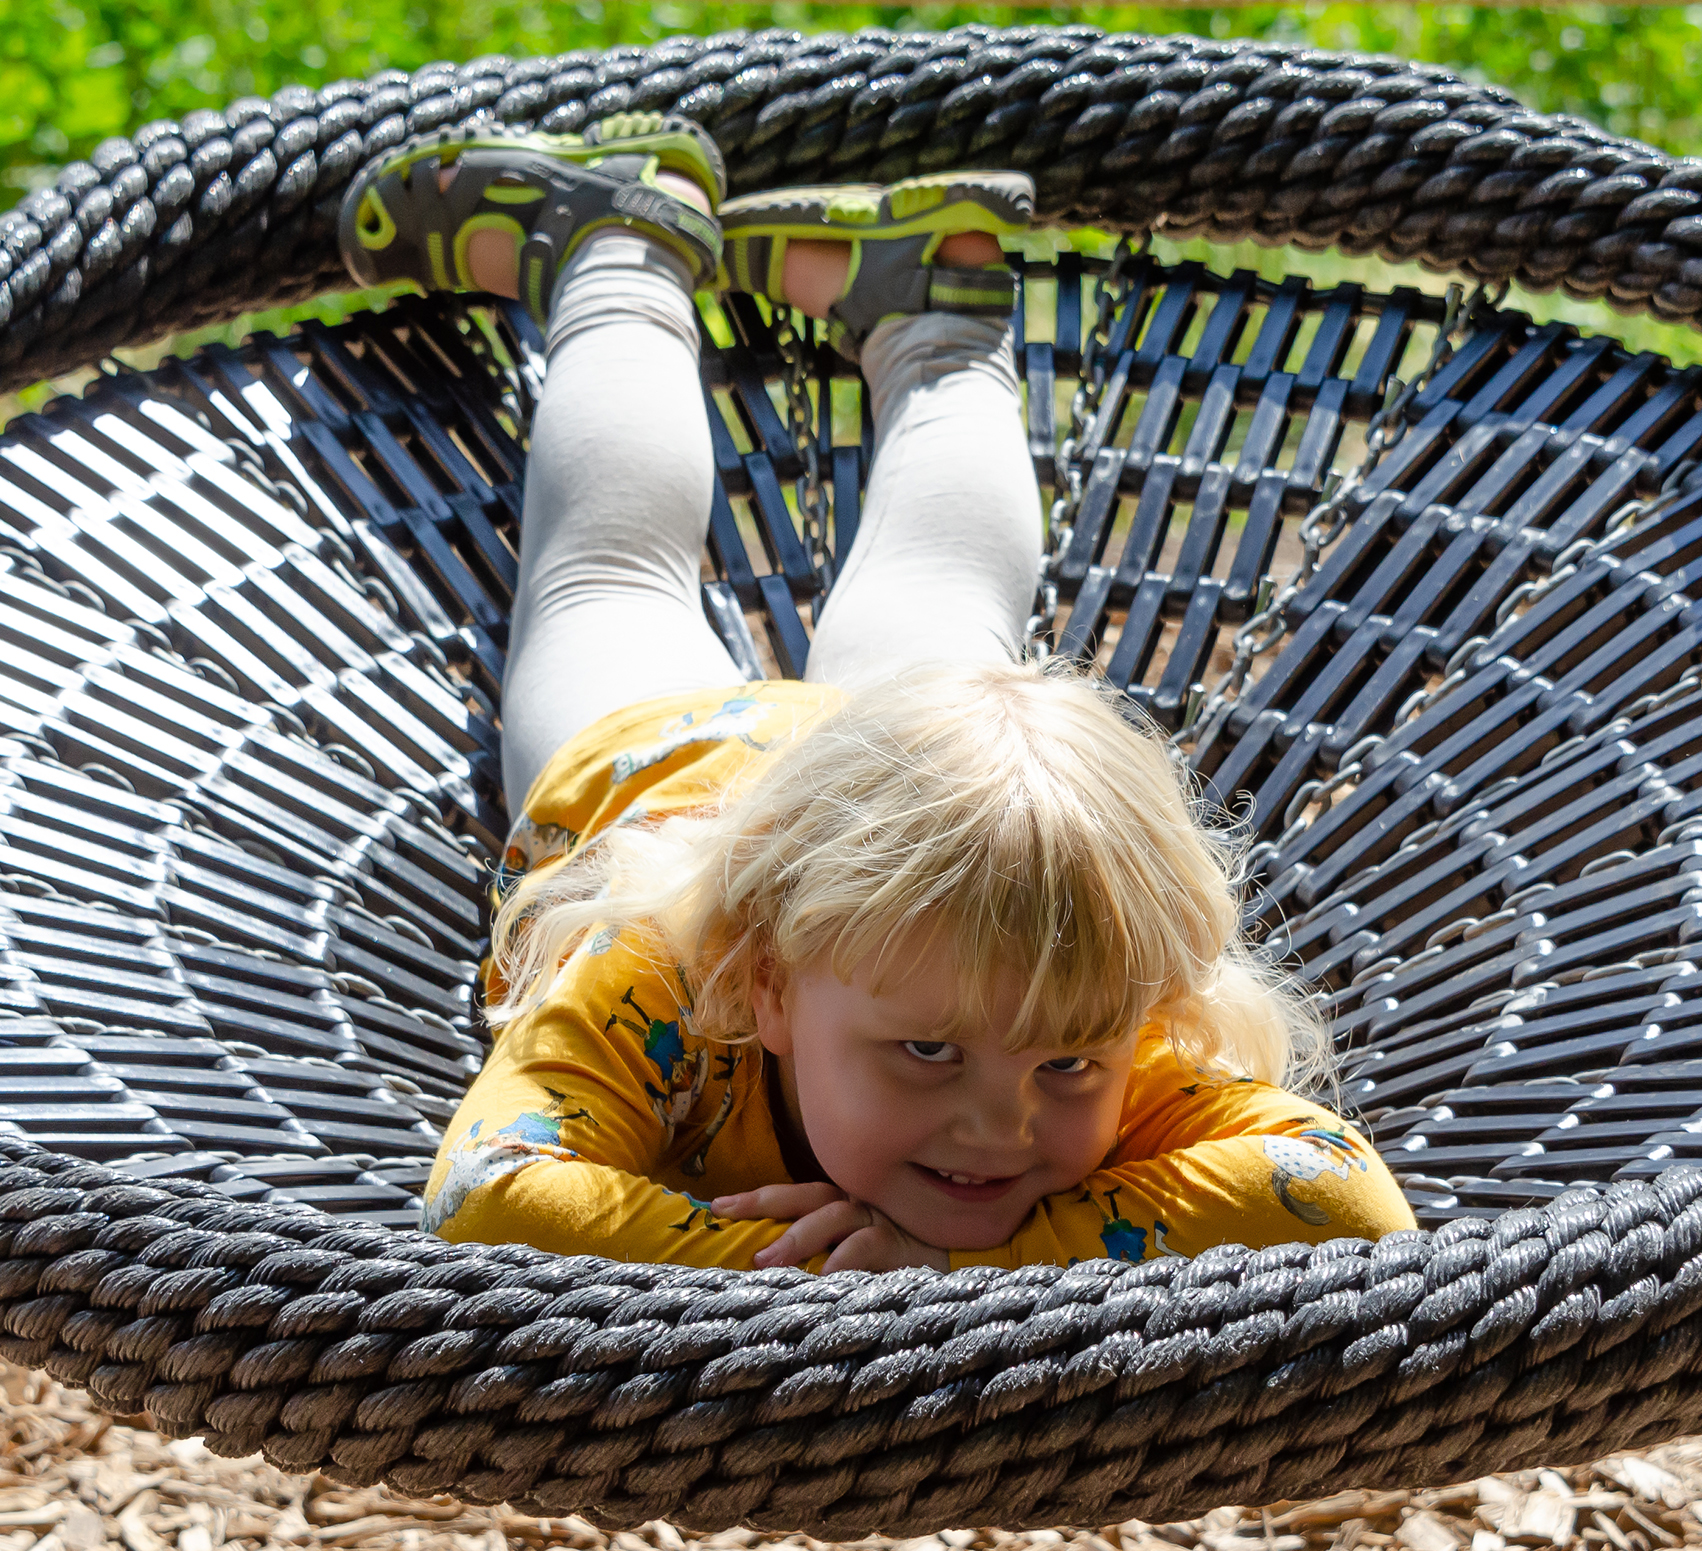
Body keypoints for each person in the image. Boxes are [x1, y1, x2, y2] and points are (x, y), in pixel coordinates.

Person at [339, 116, 1416, 1272]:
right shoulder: (661, 979)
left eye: (1067, 1071)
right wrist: (823, 1277)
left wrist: (951, 1266)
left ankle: (937, 314)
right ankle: (614, 248)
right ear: (769, 988)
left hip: (890, 765)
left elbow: (1349, 1199)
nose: (1002, 1129)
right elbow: (485, 1199)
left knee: (946, 583)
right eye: (925, 1055)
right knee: (611, 566)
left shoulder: (1070, 992)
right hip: (655, 773)